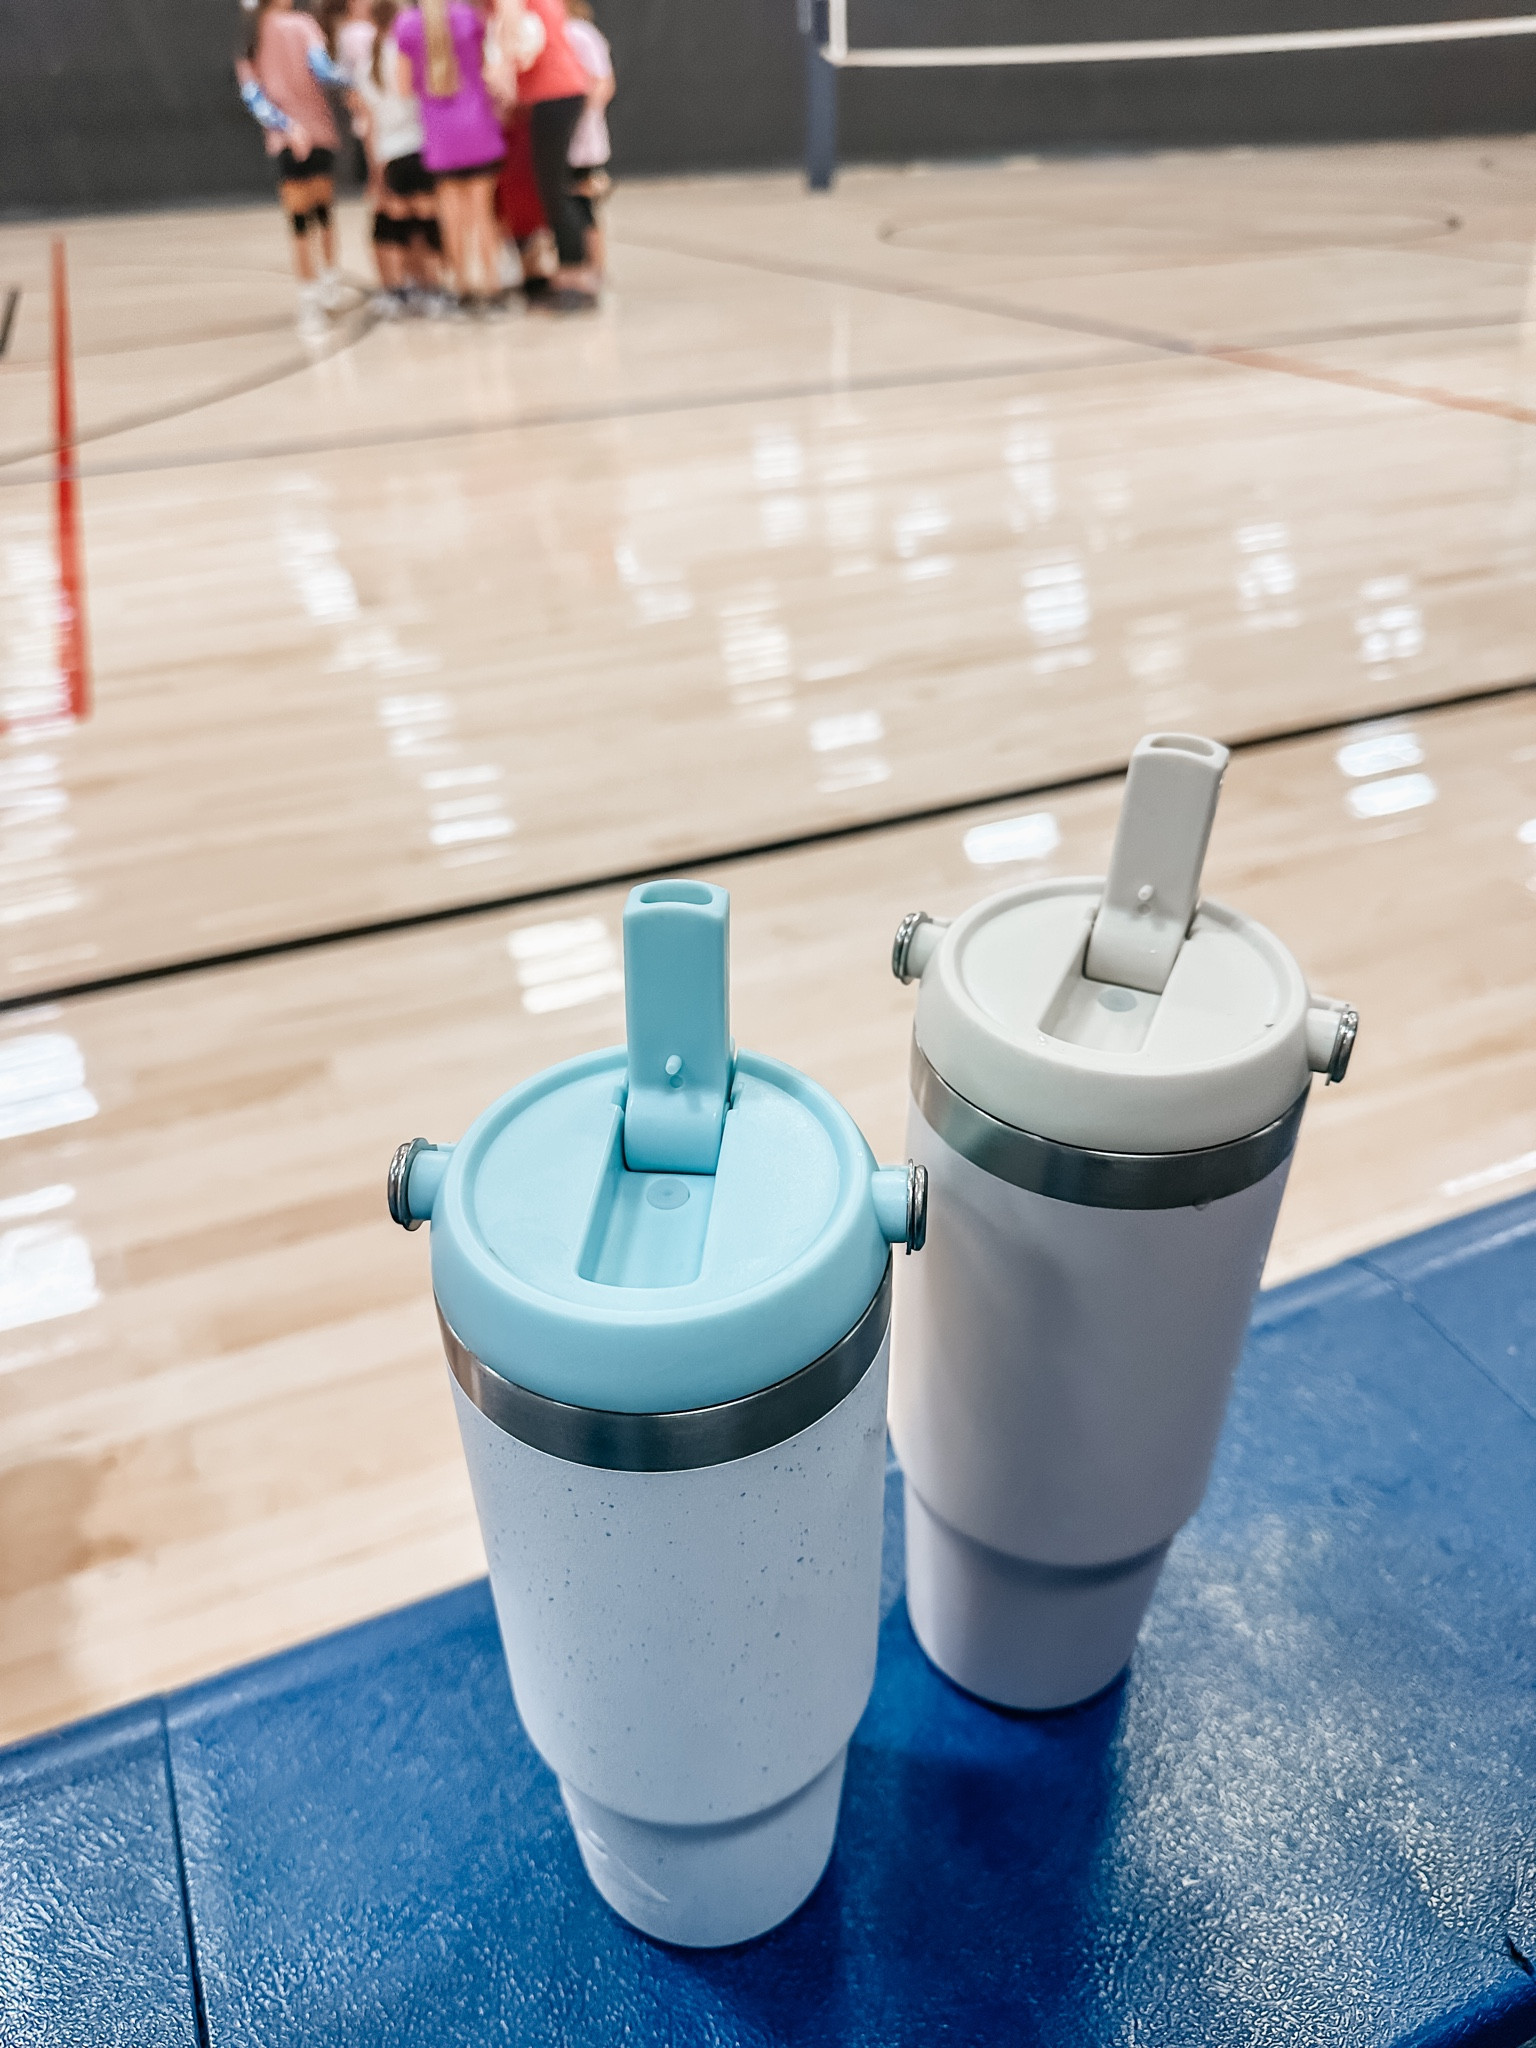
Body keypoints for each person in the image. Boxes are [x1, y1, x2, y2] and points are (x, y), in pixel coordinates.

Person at [237, 0, 356, 334]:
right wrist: (355, 76)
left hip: (285, 141)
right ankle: (329, 283)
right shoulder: (303, 25)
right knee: (323, 214)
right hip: (317, 132)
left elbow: (253, 97)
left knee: (299, 221)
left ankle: (310, 296)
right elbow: (323, 70)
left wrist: (286, 127)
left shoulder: (250, 37)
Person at [393, 0, 506, 309]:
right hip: (478, 125)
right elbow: (490, 67)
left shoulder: (406, 25)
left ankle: (462, 286)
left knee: (451, 215)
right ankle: (492, 285)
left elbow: (403, 87)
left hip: (439, 133)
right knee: (482, 213)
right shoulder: (471, 17)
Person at [497, 0, 598, 310]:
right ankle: (569, 271)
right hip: (556, 93)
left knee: (553, 190)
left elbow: (514, 35)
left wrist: (503, 82)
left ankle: (575, 275)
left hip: (552, 93)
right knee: (550, 188)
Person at [355, 0, 444, 312]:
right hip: (420, 147)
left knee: (399, 225)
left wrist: (375, 170)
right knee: (428, 223)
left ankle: (400, 288)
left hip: (390, 154)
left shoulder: (367, 66)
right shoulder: (411, 56)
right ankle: (432, 287)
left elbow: (370, 127)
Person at [562, 0, 612, 283]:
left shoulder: (580, 33)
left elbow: (603, 83)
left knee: (581, 203)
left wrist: (574, 117)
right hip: (571, 138)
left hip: (581, 140)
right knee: (575, 200)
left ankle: (595, 267)